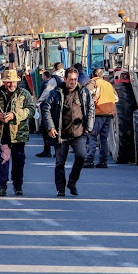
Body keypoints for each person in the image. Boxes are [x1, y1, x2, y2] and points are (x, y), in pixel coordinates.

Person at [42, 67, 94, 197]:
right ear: (65, 79)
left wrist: (89, 127)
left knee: (81, 157)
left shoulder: (83, 92)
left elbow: (91, 108)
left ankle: (72, 182)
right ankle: (61, 188)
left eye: (75, 79)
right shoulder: (56, 93)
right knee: (60, 163)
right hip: (61, 134)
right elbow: (46, 110)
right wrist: (51, 127)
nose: (73, 82)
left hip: (79, 133)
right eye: (70, 79)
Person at [0, 69, 35, 196]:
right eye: (8, 82)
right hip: (2, 133)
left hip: (19, 133)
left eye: (12, 82)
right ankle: (1, 186)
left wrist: (14, 115)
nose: (10, 85)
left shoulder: (24, 94)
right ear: (4, 82)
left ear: (17, 82)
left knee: (18, 161)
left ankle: (18, 185)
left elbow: (31, 110)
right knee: (2, 159)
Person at [84, 68, 118, 168]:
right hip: (109, 114)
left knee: (93, 137)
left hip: (98, 113)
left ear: (93, 75)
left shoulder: (93, 83)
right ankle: (103, 161)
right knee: (103, 139)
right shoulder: (108, 85)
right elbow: (116, 98)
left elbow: (86, 95)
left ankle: (89, 160)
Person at [35, 64, 64, 157]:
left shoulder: (53, 79)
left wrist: (39, 101)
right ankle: (59, 151)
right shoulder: (67, 76)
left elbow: (47, 92)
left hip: (52, 106)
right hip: (64, 106)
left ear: (54, 69)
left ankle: (47, 150)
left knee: (47, 127)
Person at [35, 71, 53, 158]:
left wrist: (38, 101)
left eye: (42, 76)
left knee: (45, 129)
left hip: (45, 108)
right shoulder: (58, 81)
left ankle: (47, 150)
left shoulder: (46, 84)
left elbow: (43, 94)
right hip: (54, 109)